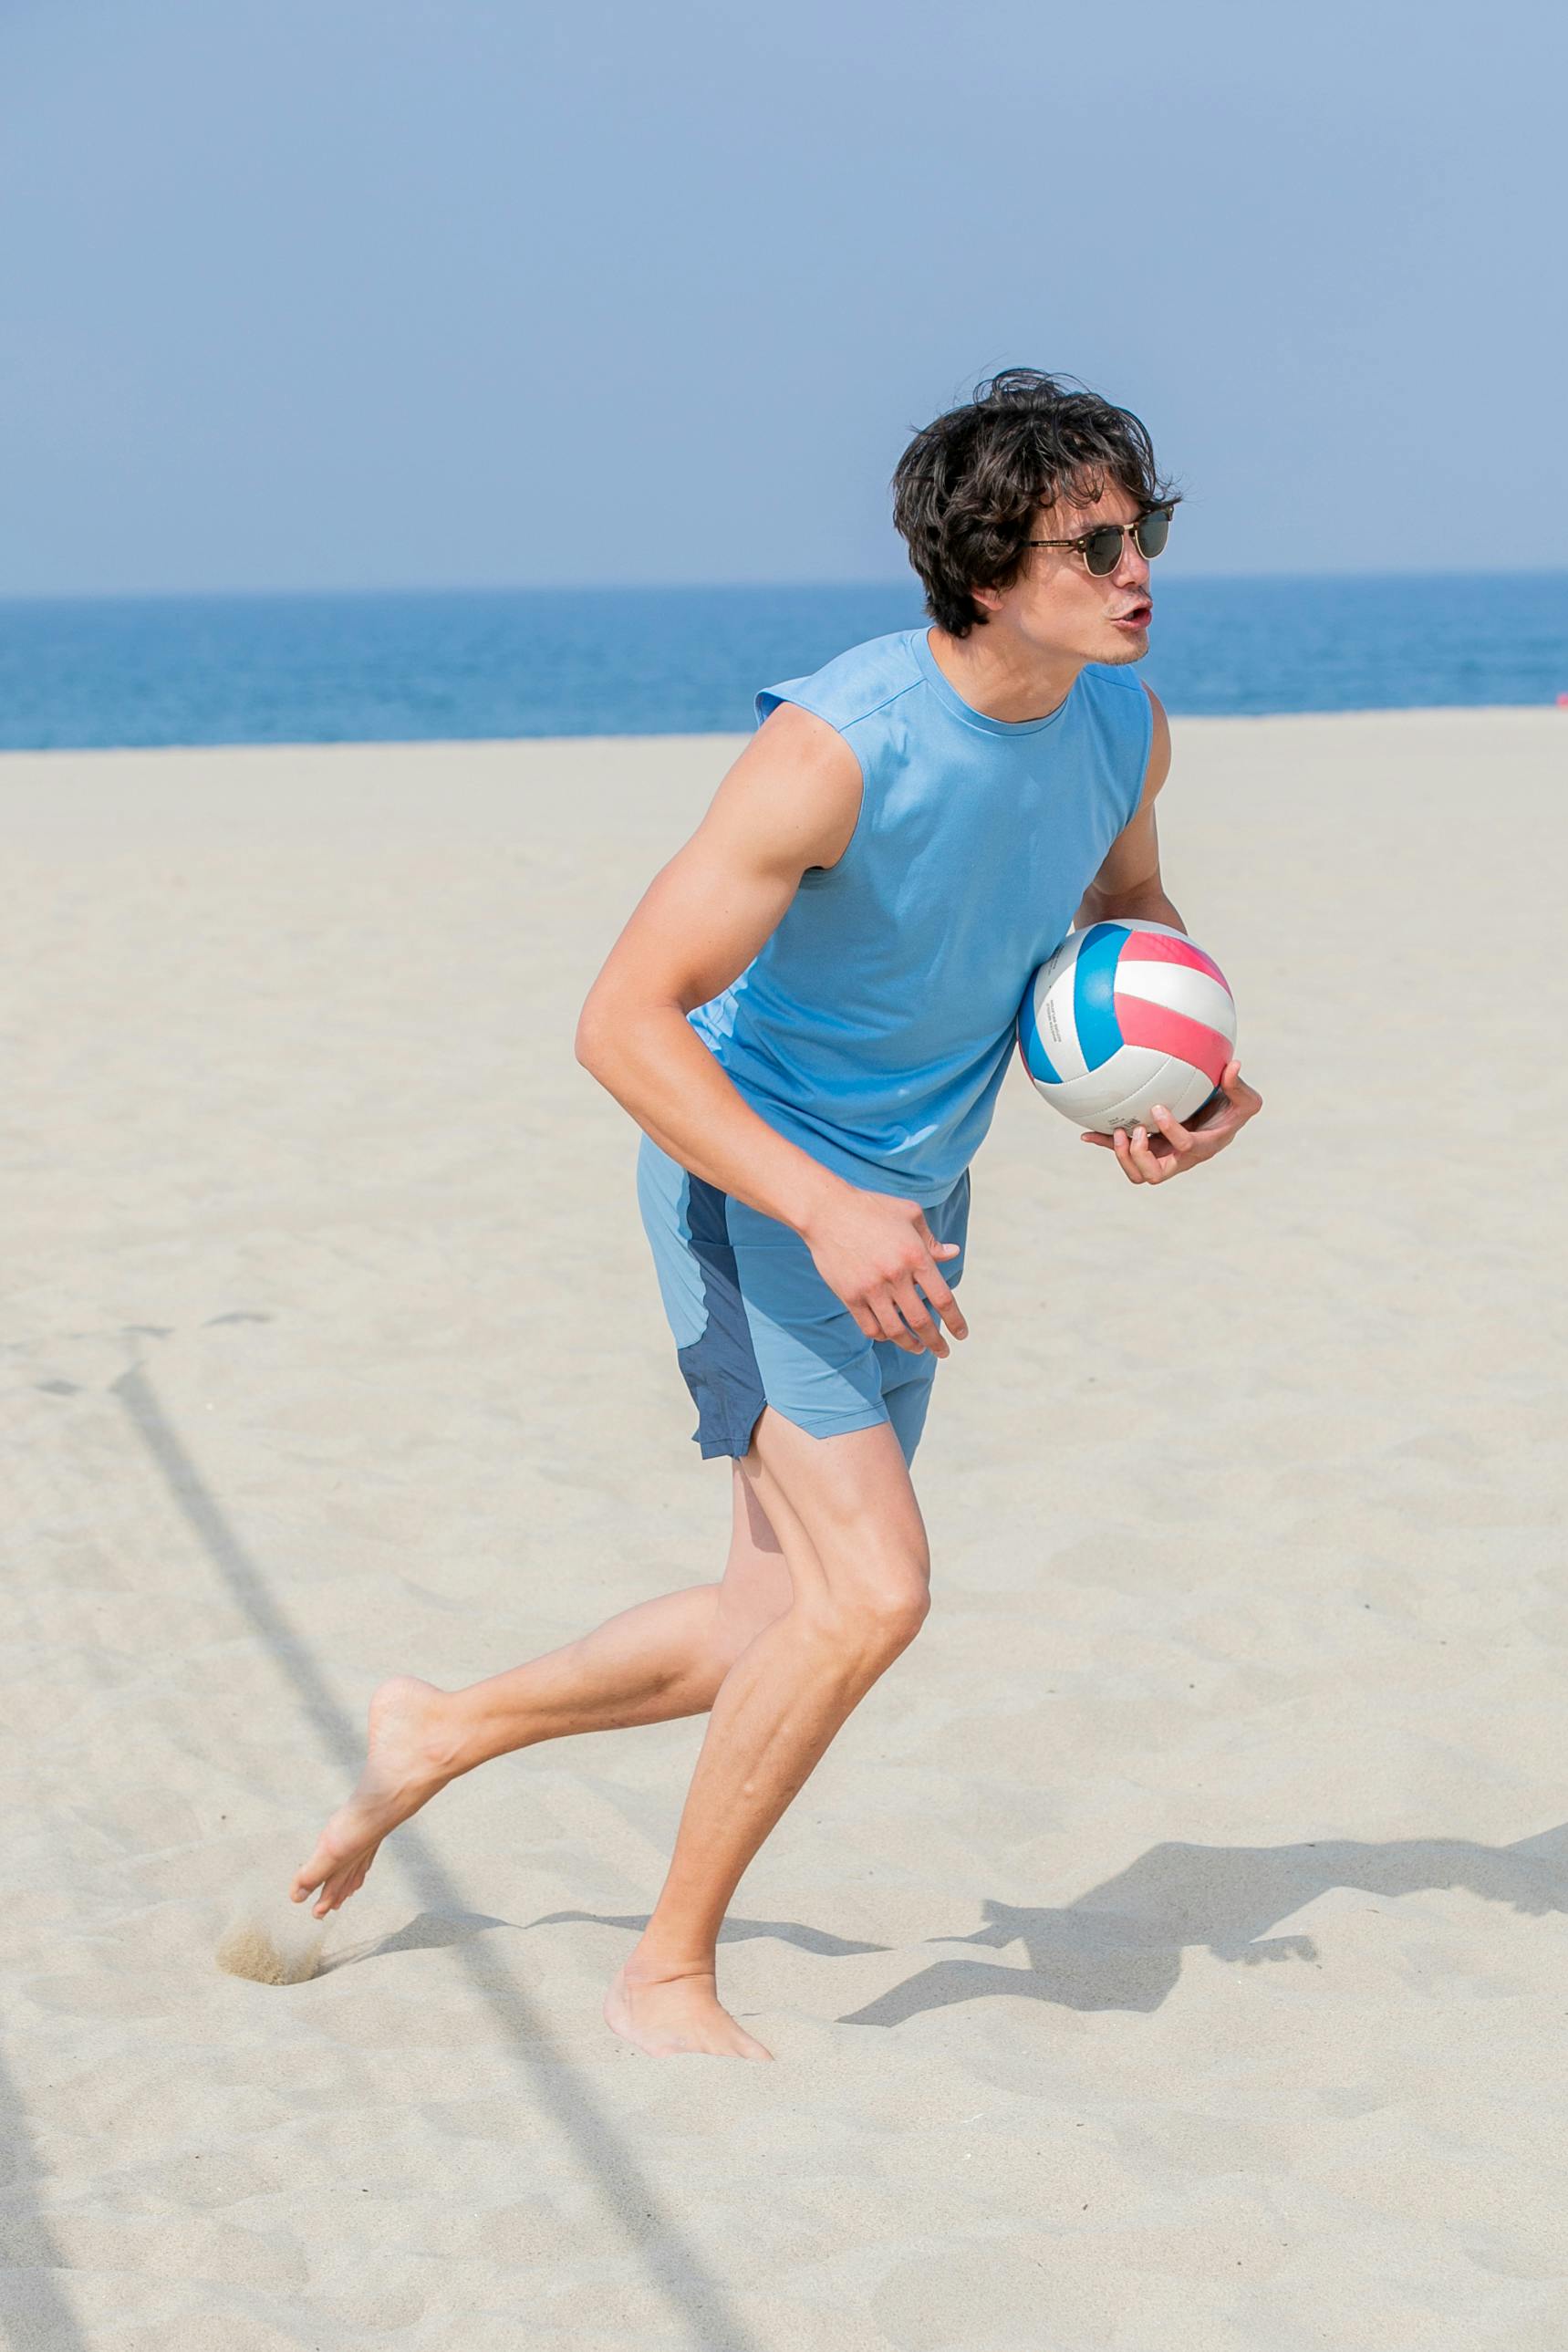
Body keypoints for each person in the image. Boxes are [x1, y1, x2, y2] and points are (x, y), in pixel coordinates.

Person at [288, 367, 1262, 2059]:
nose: (1135, 566)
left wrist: (1171, 1070)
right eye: (1093, 540)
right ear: (982, 562)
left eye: (1144, 527)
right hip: (762, 1187)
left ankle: (434, 1727)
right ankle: (664, 1971)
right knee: (874, 1593)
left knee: (765, 1619)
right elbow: (622, 1019)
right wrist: (823, 1208)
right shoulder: (835, 749)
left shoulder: (1125, 719)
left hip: (914, 1200)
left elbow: (1123, 904)